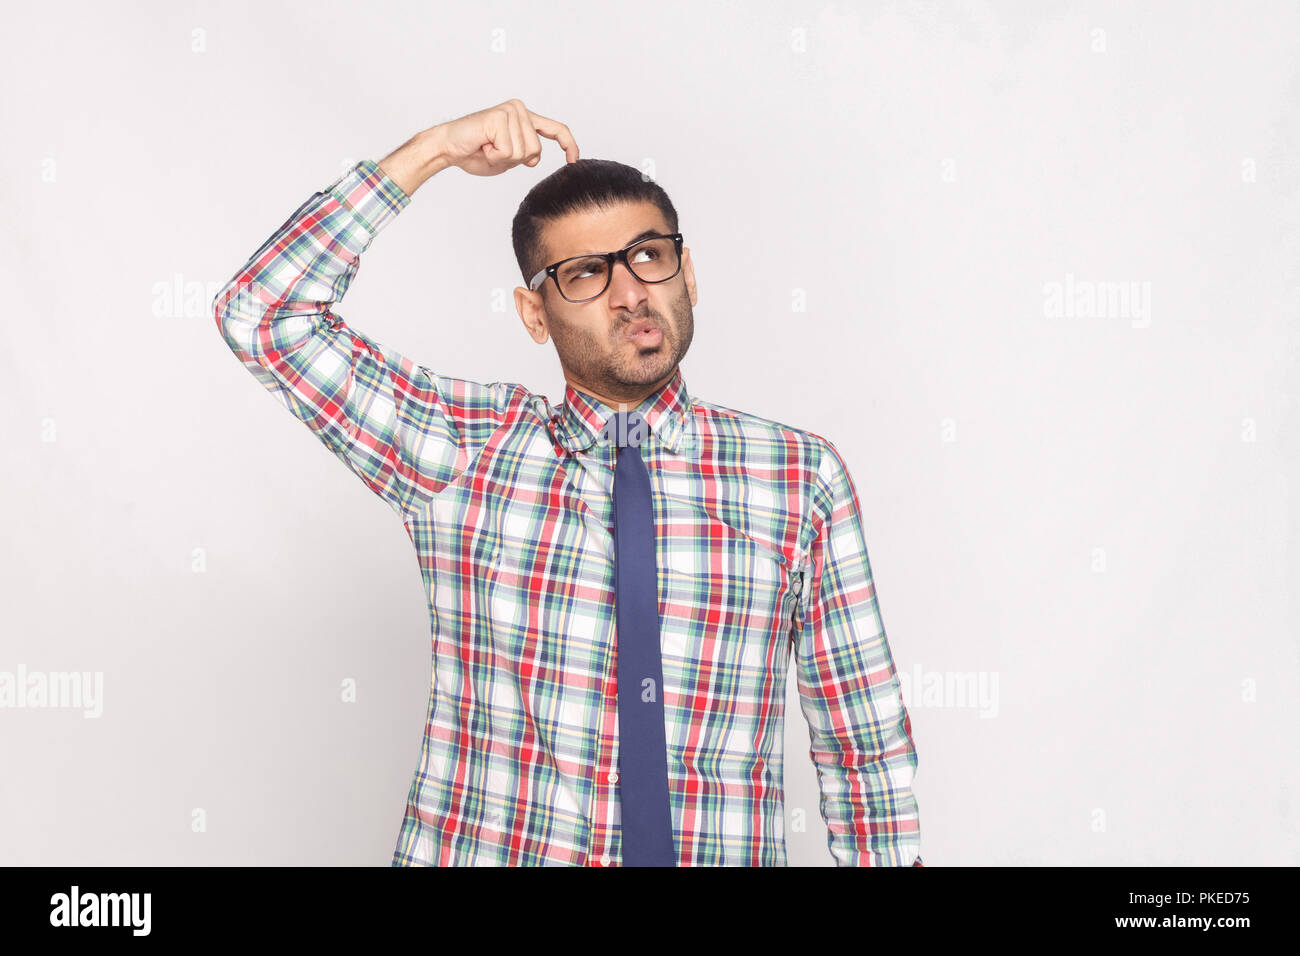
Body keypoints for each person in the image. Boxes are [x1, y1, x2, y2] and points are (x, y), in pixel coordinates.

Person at [212, 99, 924, 867]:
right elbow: (262, 314)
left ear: (687, 272)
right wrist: (433, 151)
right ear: (534, 313)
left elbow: (862, 743)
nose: (630, 293)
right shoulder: (461, 451)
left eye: (649, 256)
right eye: (586, 273)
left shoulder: (797, 477)